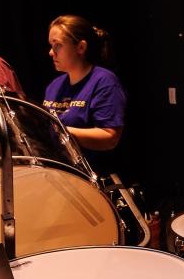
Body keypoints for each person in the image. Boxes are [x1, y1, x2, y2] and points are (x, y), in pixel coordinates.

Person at [42, 15, 126, 173]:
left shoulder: (104, 81)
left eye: (57, 45)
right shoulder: (54, 86)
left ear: (81, 47)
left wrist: (60, 131)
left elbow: (110, 138)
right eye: (51, 45)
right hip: (59, 173)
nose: (51, 53)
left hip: (93, 177)